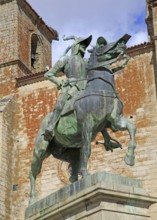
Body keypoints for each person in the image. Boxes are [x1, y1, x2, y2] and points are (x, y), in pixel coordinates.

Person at [43, 35, 92, 141]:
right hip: (70, 87)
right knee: (60, 104)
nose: (84, 48)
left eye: (85, 46)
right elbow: (49, 74)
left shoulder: (86, 62)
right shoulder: (65, 60)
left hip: (84, 88)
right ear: (76, 46)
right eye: (82, 45)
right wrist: (58, 81)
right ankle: (51, 126)